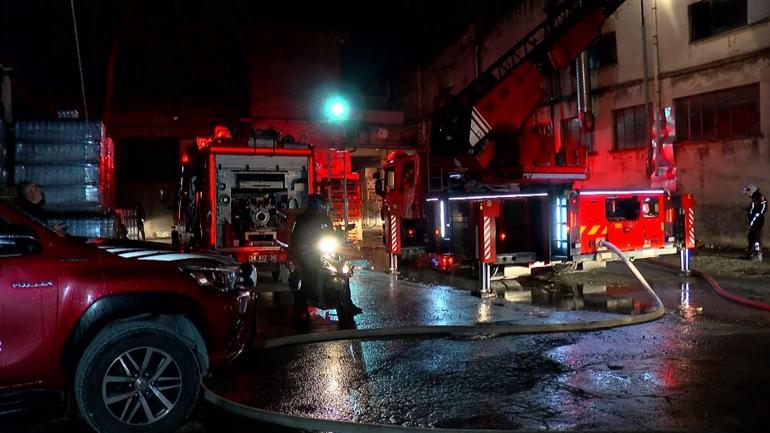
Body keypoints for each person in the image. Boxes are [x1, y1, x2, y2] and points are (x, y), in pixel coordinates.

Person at [290, 193, 361, 315]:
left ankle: (348, 304)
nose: (323, 206)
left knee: (343, 272)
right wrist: (303, 247)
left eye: (323, 204)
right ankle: (300, 306)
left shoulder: (325, 218)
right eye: (321, 204)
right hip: (308, 253)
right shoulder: (303, 219)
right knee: (309, 279)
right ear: (314, 204)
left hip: (325, 250)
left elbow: (330, 232)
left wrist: (339, 234)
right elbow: (296, 237)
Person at [742, 184, 767, 261]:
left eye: (748, 193)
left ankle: (757, 254)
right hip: (755, 219)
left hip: (758, 219)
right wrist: (749, 210)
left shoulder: (760, 198)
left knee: (755, 237)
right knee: (751, 236)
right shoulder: (755, 198)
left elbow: (761, 210)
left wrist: (752, 219)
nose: (748, 195)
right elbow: (754, 208)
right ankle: (751, 253)